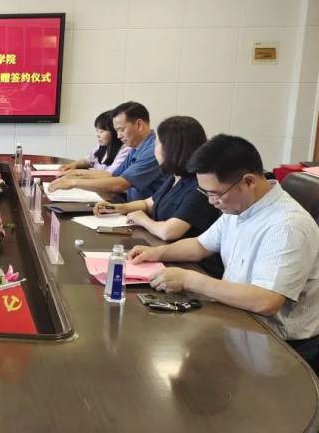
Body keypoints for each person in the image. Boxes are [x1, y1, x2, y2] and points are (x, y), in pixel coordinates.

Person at [129, 134, 319, 370]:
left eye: (216, 193)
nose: (212, 202)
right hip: (239, 318)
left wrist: (189, 280)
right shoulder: (239, 207)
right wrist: (157, 253)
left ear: (249, 182)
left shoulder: (287, 226)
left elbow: (266, 301)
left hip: (278, 346)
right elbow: (200, 245)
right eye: (206, 193)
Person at [93, 116, 222, 277]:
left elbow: (169, 231)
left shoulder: (199, 185)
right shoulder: (175, 177)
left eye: (158, 143)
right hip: (164, 254)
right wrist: (116, 208)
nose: (155, 148)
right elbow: (150, 203)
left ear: (172, 149)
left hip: (192, 267)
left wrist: (143, 220)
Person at [50, 101, 165, 202]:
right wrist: (76, 175)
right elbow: (112, 175)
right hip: (131, 204)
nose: (118, 136)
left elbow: (121, 184)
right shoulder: (136, 148)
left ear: (139, 125)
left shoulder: (153, 150)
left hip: (148, 213)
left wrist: (74, 182)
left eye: (121, 130)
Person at [60, 111, 130, 175]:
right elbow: (87, 161)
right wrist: (73, 165)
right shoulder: (101, 145)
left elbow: (110, 174)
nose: (98, 135)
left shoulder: (125, 149)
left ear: (114, 131)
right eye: (97, 131)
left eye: (101, 131)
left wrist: (78, 173)